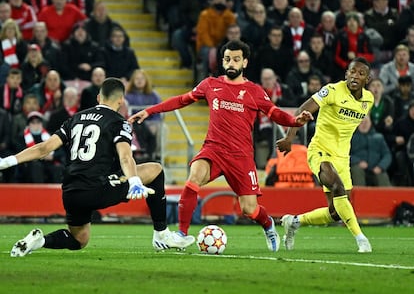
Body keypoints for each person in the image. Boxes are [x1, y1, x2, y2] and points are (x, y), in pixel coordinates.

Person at [128, 40, 313, 252]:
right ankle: (181, 234)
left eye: (236, 59)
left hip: (241, 157)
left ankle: (268, 224)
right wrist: (150, 111)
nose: (231, 63)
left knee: (249, 209)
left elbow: (274, 113)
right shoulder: (210, 84)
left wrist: (295, 121)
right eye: (227, 59)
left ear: (244, 62)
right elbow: (181, 100)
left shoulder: (254, 91)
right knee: (194, 177)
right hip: (213, 150)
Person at [0, 77, 195, 257]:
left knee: (79, 239)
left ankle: (39, 241)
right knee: (155, 170)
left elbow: (44, 148)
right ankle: (161, 233)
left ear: (98, 97)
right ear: (121, 101)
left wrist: (7, 161)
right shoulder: (120, 123)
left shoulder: (75, 118)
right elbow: (125, 156)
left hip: (70, 191)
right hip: (97, 188)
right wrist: (134, 180)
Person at [276, 57, 374, 253]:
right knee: (337, 187)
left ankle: (295, 221)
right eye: (352, 71)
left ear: (367, 79)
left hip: (342, 157)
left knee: (336, 213)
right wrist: (289, 137)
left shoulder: (368, 101)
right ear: (346, 74)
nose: (355, 76)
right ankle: (361, 239)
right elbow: (303, 109)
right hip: (320, 151)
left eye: (361, 74)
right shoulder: (332, 90)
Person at [350, 115, 392, 187]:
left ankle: (388, 198)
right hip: (358, 168)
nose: (364, 125)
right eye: (361, 122)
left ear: (370, 123)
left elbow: (387, 155)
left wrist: (381, 166)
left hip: (376, 167)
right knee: (357, 170)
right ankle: (360, 196)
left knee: (382, 175)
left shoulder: (379, 137)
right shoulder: (351, 137)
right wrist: (357, 161)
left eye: (366, 122)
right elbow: (346, 155)